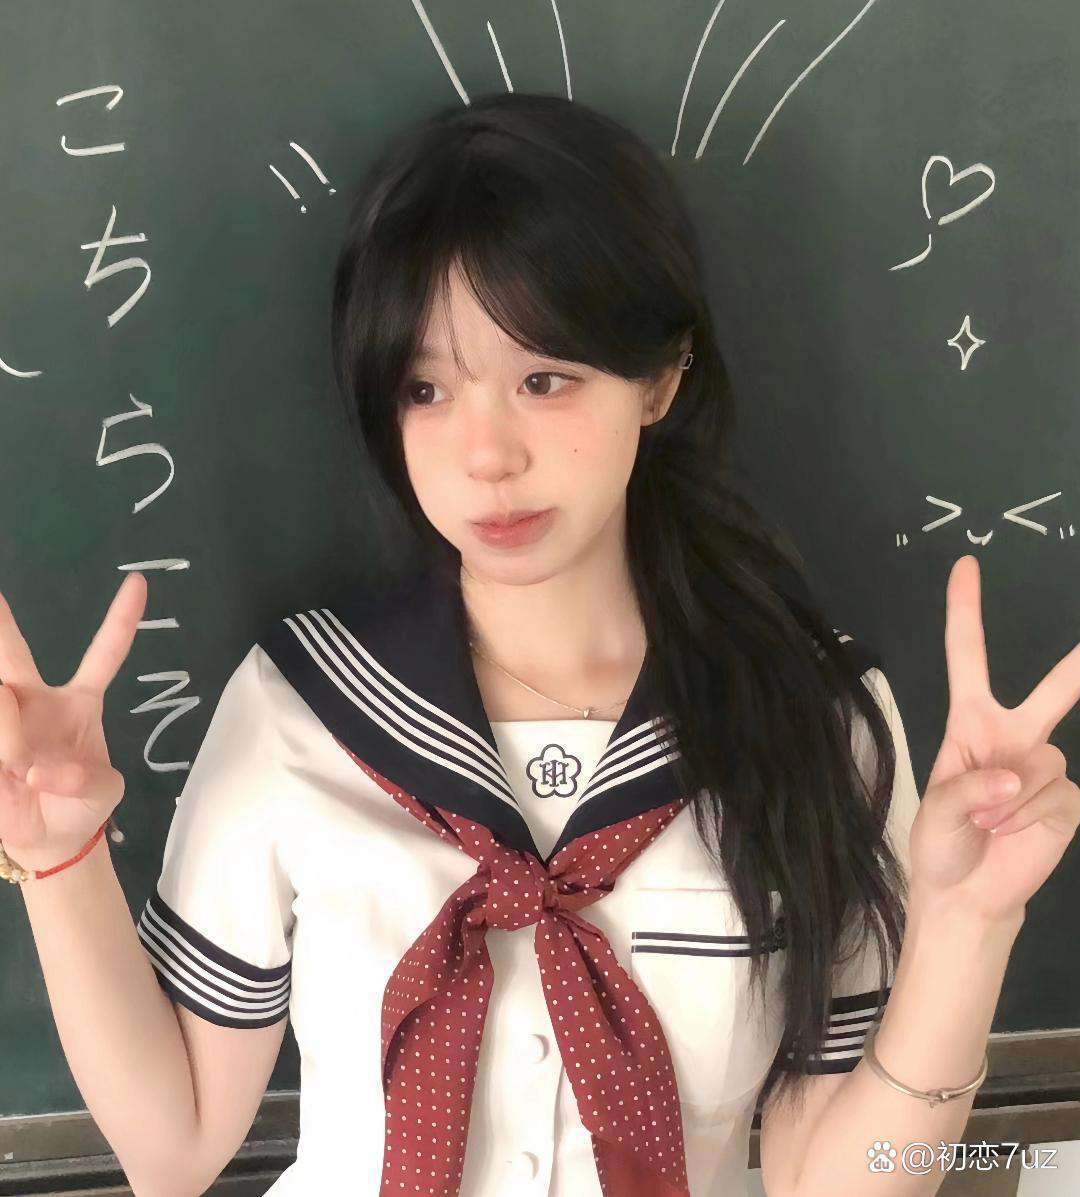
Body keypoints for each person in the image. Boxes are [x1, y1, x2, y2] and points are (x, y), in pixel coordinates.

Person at [3, 92, 1078, 1197]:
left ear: (660, 379)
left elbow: (838, 1182)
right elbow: (174, 1149)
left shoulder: (810, 717)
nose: (485, 456)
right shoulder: (303, 707)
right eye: (426, 389)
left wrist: (969, 926)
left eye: (543, 380)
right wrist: (57, 861)